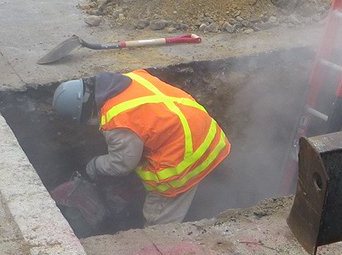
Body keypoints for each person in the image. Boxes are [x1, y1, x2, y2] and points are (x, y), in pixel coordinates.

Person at [52, 68, 231, 226]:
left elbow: (121, 164)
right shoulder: (133, 77)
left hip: (186, 157)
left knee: (157, 221)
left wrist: (94, 166)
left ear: (84, 111)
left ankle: (161, 249)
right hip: (209, 137)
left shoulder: (118, 120)